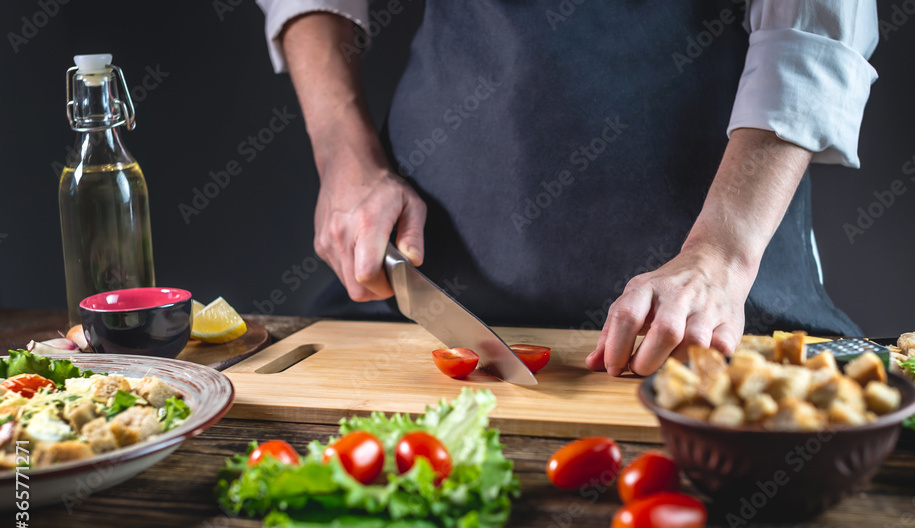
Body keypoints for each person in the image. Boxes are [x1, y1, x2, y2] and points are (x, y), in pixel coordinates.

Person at [255, 0, 878, 376]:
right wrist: (345, 157)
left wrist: (721, 253)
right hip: (441, 256)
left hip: (726, 265)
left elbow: (814, 24)